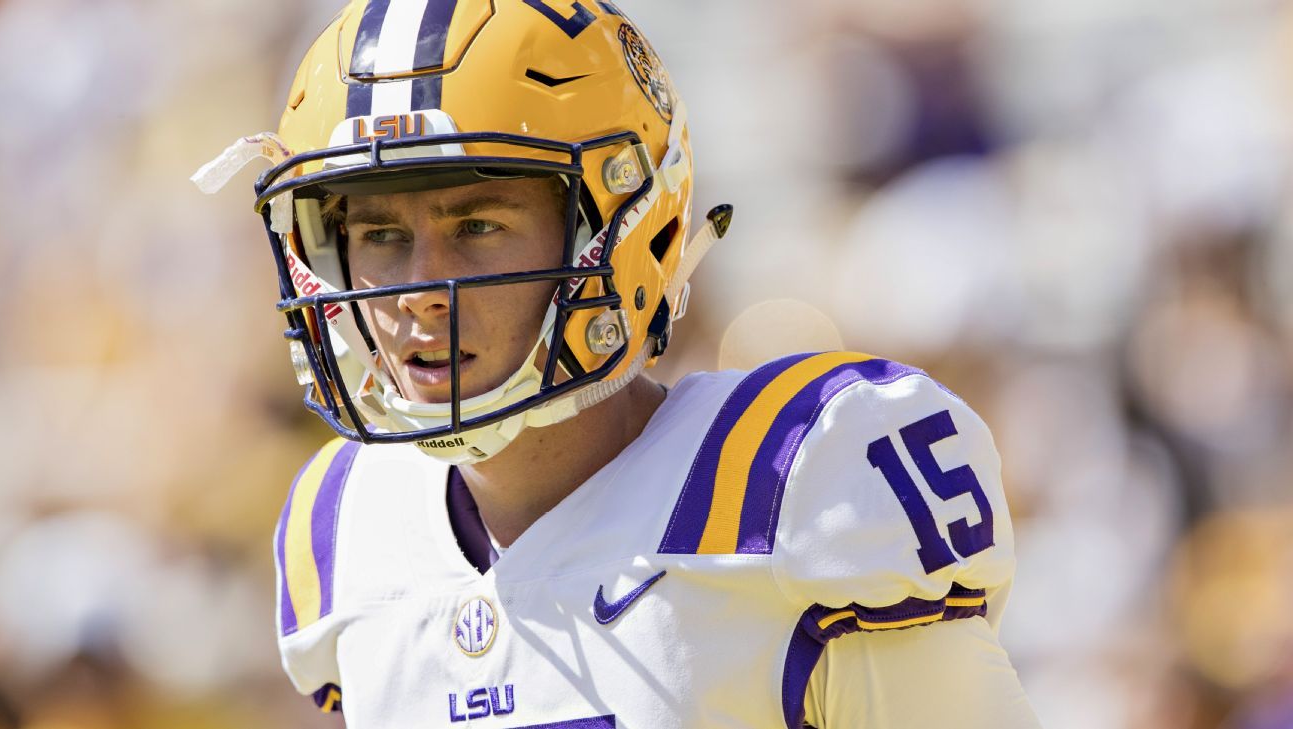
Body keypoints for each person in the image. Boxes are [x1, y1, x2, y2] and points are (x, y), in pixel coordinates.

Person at [194, 1, 1041, 726]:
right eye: (380, 234)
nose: (417, 290)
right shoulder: (344, 524)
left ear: (628, 228)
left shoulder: (792, 480)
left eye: (476, 226)